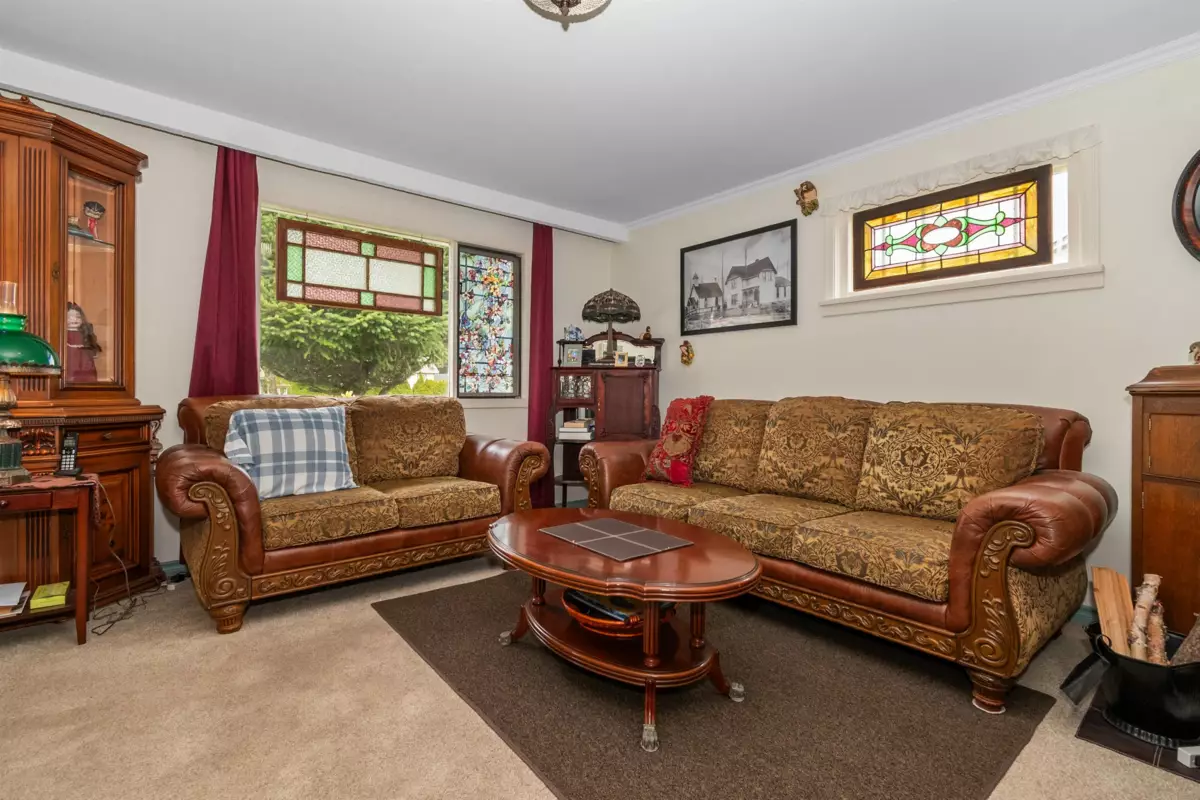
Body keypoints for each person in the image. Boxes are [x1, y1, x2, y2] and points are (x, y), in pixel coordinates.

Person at [66, 302, 101, 382]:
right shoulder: (60, 336)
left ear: (82, 319)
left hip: (88, 378)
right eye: (69, 317)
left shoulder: (87, 335)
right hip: (67, 380)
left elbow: (94, 356)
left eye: (78, 317)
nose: (74, 320)